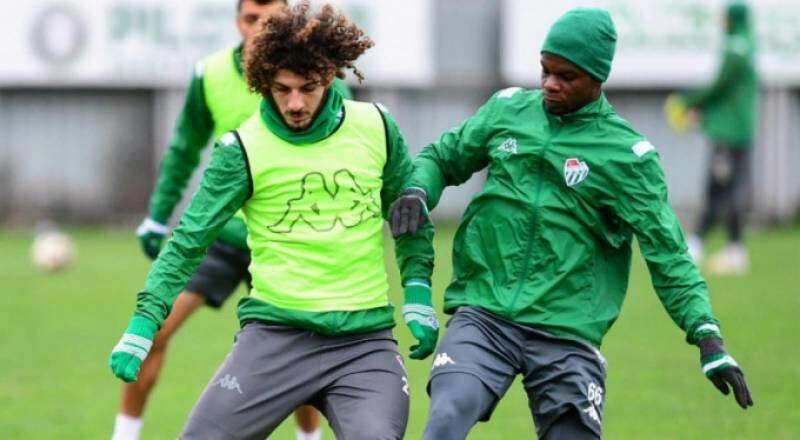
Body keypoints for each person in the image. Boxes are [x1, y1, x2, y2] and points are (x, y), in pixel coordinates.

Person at [390, 8, 753, 440]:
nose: (550, 83)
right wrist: (418, 190)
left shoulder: (627, 156)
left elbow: (668, 253)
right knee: (447, 416)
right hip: (485, 314)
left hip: (566, 334)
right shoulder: (507, 110)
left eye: (566, 76)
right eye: (545, 70)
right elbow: (441, 157)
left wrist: (706, 335)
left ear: (598, 79)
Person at [110, 2, 438, 438]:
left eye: (308, 87)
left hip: (363, 344)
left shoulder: (376, 126)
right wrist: (144, 321)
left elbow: (409, 216)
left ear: (330, 75)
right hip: (274, 338)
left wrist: (417, 289)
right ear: (263, 80)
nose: (295, 103)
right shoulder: (241, 149)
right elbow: (189, 239)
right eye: (282, 89)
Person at [680, 2, 758, 275]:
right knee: (726, 188)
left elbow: (718, 86)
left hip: (729, 132)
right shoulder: (747, 44)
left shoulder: (736, 48)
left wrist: (689, 101)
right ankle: (731, 248)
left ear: (732, 18)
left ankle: (702, 245)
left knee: (719, 189)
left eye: (724, 18)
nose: (721, 22)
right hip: (738, 130)